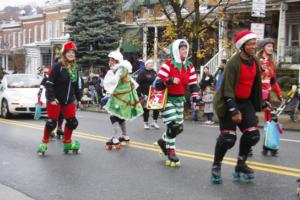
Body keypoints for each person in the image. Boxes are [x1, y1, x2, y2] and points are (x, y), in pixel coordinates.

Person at [211, 30, 262, 183]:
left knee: (253, 134)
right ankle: (216, 165)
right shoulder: (234, 62)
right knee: (228, 139)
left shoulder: (254, 61)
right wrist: (233, 110)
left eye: (255, 43)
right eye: (250, 44)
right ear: (243, 45)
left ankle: (240, 164)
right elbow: (227, 88)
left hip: (245, 102)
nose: (254, 46)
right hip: (228, 101)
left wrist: (262, 102)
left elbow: (255, 85)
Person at [154, 39, 200, 167]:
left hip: (180, 99)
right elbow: (156, 84)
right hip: (168, 98)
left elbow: (193, 85)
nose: (185, 51)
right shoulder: (168, 65)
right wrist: (169, 80)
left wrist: (195, 98)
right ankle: (171, 151)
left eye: (186, 48)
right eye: (182, 49)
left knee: (179, 128)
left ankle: (163, 141)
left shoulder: (189, 66)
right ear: (176, 51)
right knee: (173, 126)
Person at [37, 41, 83, 155]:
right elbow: (49, 83)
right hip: (55, 101)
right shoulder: (58, 67)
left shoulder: (74, 68)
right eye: (69, 52)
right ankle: (44, 143)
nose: (71, 54)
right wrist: (52, 98)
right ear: (64, 54)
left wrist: (79, 99)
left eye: (73, 52)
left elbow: (76, 86)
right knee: (51, 123)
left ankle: (67, 143)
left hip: (68, 101)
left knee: (72, 122)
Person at [103, 51, 143, 150]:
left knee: (113, 116)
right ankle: (125, 136)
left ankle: (115, 138)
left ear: (116, 61)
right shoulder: (124, 69)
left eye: (111, 60)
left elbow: (112, 82)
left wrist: (108, 78)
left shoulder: (119, 70)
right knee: (120, 117)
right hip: (124, 97)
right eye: (109, 60)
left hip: (119, 97)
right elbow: (133, 83)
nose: (109, 62)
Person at [257, 38, 284, 156]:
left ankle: (269, 146)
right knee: (250, 121)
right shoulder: (257, 61)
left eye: (272, 46)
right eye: (269, 46)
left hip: (267, 95)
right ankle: (248, 147)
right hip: (256, 94)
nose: (271, 48)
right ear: (263, 48)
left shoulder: (272, 63)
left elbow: (273, 82)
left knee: (271, 120)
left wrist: (280, 95)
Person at [136, 59, 160, 129]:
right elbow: (137, 83)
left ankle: (155, 122)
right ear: (146, 65)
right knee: (146, 109)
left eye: (152, 64)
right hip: (145, 93)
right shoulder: (142, 73)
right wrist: (139, 94)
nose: (151, 65)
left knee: (156, 107)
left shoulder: (154, 73)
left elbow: (158, 81)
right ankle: (146, 123)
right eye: (150, 64)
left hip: (154, 93)